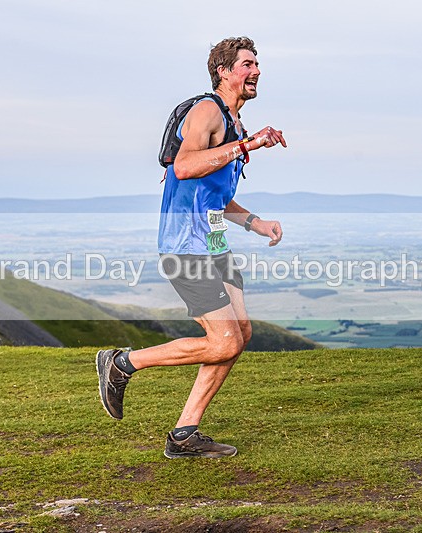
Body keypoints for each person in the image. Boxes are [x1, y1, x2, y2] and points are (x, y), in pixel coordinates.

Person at [96, 36, 287, 458]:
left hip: (213, 244)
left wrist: (256, 223)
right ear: (223, 71)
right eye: (247, 64)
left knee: (240, 334)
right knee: (223, 341)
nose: (256, 70)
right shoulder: (207, 111)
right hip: (186, 247)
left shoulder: (234, 124)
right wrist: (248, 145)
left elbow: (217, 196)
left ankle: (184, 435)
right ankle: (123, 363)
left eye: (257, 64)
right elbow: (184, 166)